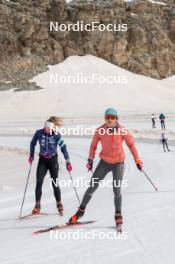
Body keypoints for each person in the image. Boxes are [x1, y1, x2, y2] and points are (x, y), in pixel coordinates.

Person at [68, 108, 143, 229]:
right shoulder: (100, 130)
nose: (109, 120)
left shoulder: (122, 130)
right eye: (107, 117)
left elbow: (131, 145)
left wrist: (137, 160)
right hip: (104, 162)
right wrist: (90, 159)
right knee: (92, 187)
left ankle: (118, 214)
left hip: (118, 163)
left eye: (112, 117)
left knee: (116, 189)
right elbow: (93, 146)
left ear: (116, 118)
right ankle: (80, 211)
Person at [28, 116, 72, 215]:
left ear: (53, 128)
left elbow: (63, 148)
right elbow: (32, 143)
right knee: (39, 181)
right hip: (42, 161)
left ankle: (59, 203)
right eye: (46, 128)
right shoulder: (39, 133)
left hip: (53, 160)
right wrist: (31, 155)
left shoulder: (57, 135)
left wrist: (68, 161)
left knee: (54, 182)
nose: (47, 130)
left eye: (49, 129)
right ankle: (37, 205)